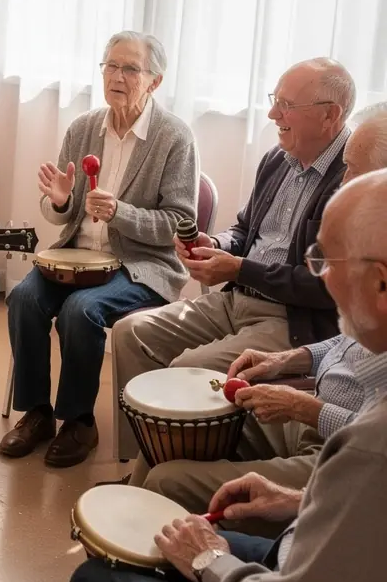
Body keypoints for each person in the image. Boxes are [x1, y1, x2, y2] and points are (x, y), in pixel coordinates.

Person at [8, 168, 387, 582]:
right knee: (161, 544)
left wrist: (210, 560)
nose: (322, 278)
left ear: (380, 283)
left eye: (326, 263)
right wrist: (293, 503)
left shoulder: (367, 449)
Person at [133, 105, 387, 519]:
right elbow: (348, 341)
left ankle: (155, 542)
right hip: (309, 395)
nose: (343, 182)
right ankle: (132, 502)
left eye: (354, 171)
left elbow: (374, 442)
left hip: (335, 445)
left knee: (169, 470)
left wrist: (303, 406)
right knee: (182, 423)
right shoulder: (277, 161)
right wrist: (287, 360)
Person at [111, 57, 355, 459]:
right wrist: (218, 245)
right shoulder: (278, 159)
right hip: (236, 297)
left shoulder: (351, 179)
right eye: (275, 99)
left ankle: (180, 471)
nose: (274, 113)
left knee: (186, 369)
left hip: (290, 319)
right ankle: (144, 456)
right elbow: (244, 229)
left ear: (330, 116)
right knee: (130, 332)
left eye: (286, 105)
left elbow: (322, 285)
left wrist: (239, 267)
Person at [1, 32, 199, 467]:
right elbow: (62, 214)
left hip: (141, 265)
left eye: (131, 68)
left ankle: (79, 421)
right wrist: (58, 201)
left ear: (155, 81)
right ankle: (36, 413)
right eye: (111, 66)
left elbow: (179, 227)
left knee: (79, 311)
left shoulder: (174, 138)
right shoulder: (83, 128)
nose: (118, 76)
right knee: (24, 298)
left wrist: (121, 213)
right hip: (76, 258)